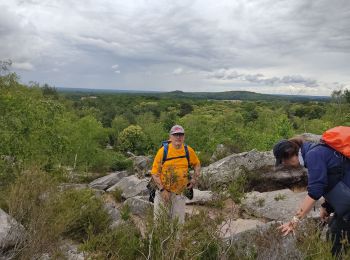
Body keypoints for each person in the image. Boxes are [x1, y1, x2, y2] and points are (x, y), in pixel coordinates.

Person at [273, 137, 350, 256]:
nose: (284, 164)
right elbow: (334, 178)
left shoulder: (313, 155)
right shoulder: (314, 151)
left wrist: (294, 221)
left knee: (336, 238)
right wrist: (326, 207)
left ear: (288, 154)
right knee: (333, 231)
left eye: (282, 160)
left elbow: (315, 191)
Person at [151, 125, 201, 224]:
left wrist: (194, 179)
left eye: (181, 135)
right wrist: (162, 190)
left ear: (184, 137)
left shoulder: (188, 150)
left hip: (180, 194)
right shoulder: (163, 151)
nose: (178, 137)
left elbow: (197, 164)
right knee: (160, 223)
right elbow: (155, 173)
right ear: (170, 137)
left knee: (178, 224)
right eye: (176, 135)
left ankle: (176, 240)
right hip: (163, 193)